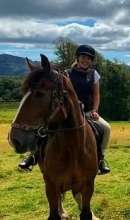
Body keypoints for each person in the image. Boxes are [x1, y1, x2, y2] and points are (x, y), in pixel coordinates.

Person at [18, 44, 112, 174]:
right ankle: (33, 156)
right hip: (69, 113)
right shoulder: (67, 73)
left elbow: (96, 95)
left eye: (89, 58)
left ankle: (100, 160)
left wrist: (95, 111)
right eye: (83, 57)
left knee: (106, 129)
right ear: (77, 58)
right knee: (46, 128)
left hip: (88, 112)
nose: (86, 60)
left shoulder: (93, 74)